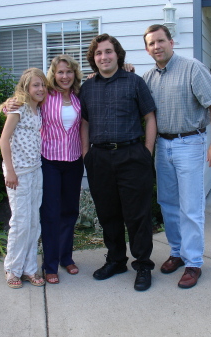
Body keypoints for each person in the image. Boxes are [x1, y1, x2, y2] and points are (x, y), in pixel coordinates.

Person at [142, 24, 211, 289]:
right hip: (161, 146)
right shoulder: (147, 78)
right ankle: (176, 252)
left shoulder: (192, 68)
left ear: (171, 42)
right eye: (151, 43)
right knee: (167, 203)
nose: (157, 46)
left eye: (161, 41)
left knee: (190, 206)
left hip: (189, 142)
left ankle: (193, 263)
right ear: (147, 49)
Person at [80, 33, 157, 291]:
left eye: (108, 51)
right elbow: (84, 122)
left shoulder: (134, 81)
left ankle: (143, 265)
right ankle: (115, 260)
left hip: (132, 156)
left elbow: (149, 116)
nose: (104, 56)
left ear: (118, 54)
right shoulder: (87, 87)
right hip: (99, 158)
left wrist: (147, 152)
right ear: (94, 58)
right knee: (108, 214)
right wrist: (86, 154)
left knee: (138, 215)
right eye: (99, 53)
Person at [5, 55, 84, 285]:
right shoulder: (45, 96)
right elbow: (22, 104)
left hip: (73, 161)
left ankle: (66, 257)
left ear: (74, 74)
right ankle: (50, 265)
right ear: (53, 74)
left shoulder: (80, 95)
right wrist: (10, 104)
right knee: (50, 214)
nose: (65, 76)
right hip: (49, 162)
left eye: (69, 72)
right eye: (60, 72)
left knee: (70, 211)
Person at [0, 67, 47, 289]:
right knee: (20, 222)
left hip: (36, 170)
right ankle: (13, 268)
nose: (40, 88)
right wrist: (10, 170)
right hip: (18, 173)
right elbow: (4, 140)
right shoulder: (19, 108)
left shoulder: (39, 109)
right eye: (35, 85)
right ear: (26, 88)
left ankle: (29, 268)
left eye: (43, 84)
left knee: (33, 221)